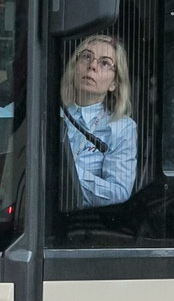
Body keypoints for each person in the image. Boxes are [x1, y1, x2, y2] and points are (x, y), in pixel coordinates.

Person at [59, 33, 137, 206]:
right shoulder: (48, 112)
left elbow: (119, 192)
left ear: (114, 83)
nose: (92, 65)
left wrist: (66, 172)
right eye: (86, 56)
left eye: (104, 63)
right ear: (74, 68)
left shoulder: (121, 127)